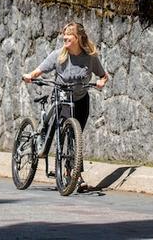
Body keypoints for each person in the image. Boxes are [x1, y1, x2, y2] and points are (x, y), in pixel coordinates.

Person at [22, 22, 108, 191]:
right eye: (64, 35)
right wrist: (30, 76)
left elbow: (104, 76)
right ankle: (74, 173)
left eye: (69, 35)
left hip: (81, 100)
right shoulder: (58, 55)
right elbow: (39, 70)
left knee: (75, 137)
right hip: (61, 98)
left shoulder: (90, 58)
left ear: (78, 38)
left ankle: (71, 173)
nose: (65, 37)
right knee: (66, 132)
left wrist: (100, 82)